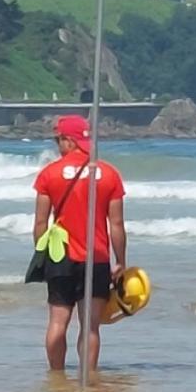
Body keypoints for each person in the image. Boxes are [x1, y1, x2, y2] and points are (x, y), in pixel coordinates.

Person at [31, 115, 126, 373]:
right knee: (90, 326)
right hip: (96, 258)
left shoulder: (48, 174)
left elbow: (40, 223)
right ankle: (88, 375)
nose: (56, 145)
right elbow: (116, 224)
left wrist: (42, 253)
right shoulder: (109, 174)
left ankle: (56, 376)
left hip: (60, 257)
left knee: (57, 322)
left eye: (57, 139)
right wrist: (121, 262)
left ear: (68, 140)